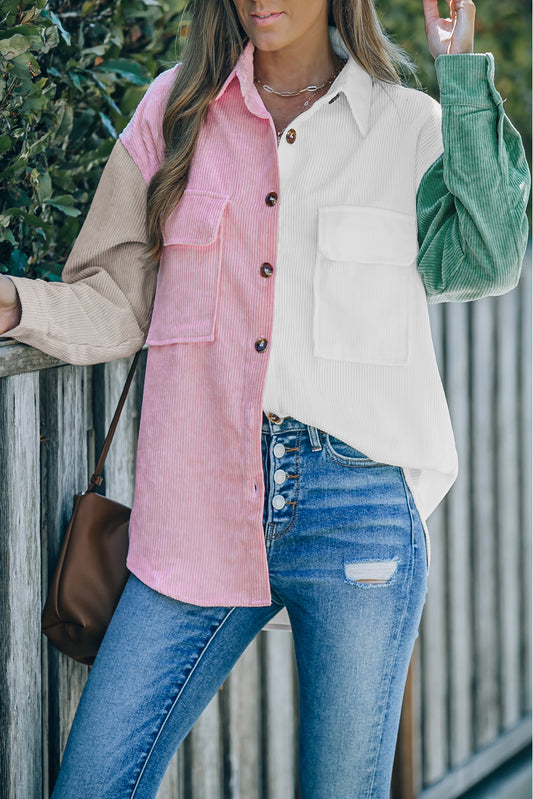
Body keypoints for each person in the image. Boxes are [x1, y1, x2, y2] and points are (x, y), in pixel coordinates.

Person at [0, 0, 529, 796]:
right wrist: (14, 306)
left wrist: (459, 67)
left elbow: (488, 259)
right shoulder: (174, 113)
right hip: (196, 505)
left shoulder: (408, 122)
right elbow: (114, 298)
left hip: (358, 515)